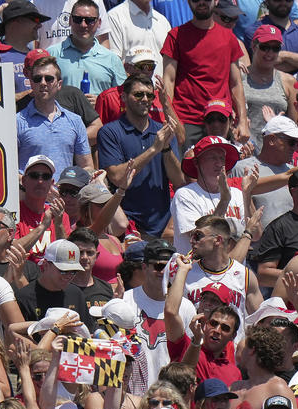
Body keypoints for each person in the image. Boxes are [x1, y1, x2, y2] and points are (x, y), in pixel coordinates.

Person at [96, 75, 184, 237]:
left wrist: (165, 149)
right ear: (123, 97)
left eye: (149, 95)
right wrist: (153, 149)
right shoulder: (110, 132)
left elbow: (179, 181)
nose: (145, 99)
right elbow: (116, 176)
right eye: (138, 94)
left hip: (162, 227)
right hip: (127, 227)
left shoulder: (162, 131)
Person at [160, 0, 249, 147]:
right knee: (184, 170)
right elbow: (168, 81)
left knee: (221, 169)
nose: (201, 2)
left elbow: (236, 83)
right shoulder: (175, 36)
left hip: (220, 121)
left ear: (215, 1)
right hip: (186, 122)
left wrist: (243, 121)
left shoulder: (229, 38)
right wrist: (173, 121)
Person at [17, 55, 93, 173]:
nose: (43, 83)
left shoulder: (75, 121)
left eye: (49, 79)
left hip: (65, 191)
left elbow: (87, 167)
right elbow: (8, 170)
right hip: (29, 191)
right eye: (37, 79)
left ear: (59, 84)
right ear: (31, 83)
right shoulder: (17, 122)